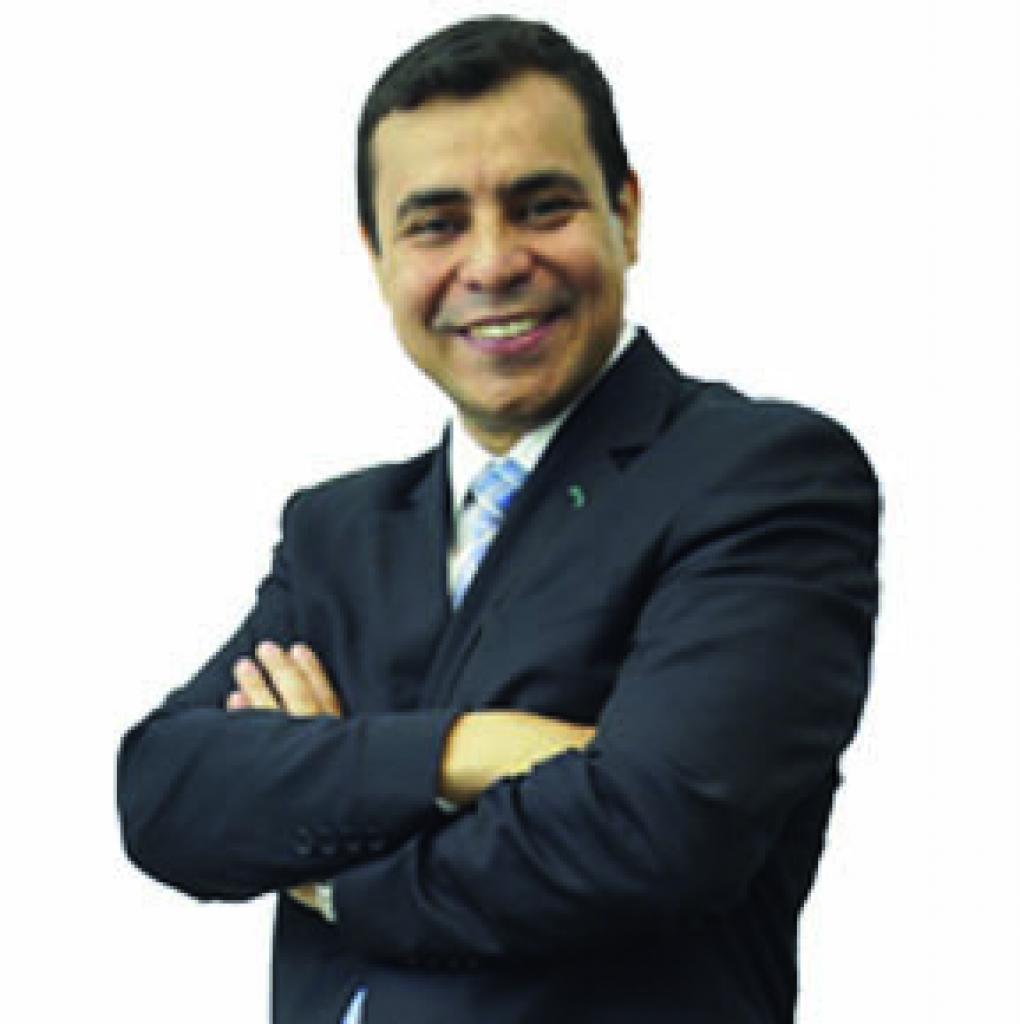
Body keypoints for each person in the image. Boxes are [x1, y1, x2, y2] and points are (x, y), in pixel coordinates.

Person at [117, 15, 880, 1024]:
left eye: (542, 206)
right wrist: (464, 751)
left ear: (627, 214)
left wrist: (337, 870)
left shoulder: (760, 478)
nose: (492, 263)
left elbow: (653, 830)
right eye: (436, 224)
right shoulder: (338, 532)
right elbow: (166, 793)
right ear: (377, 254)